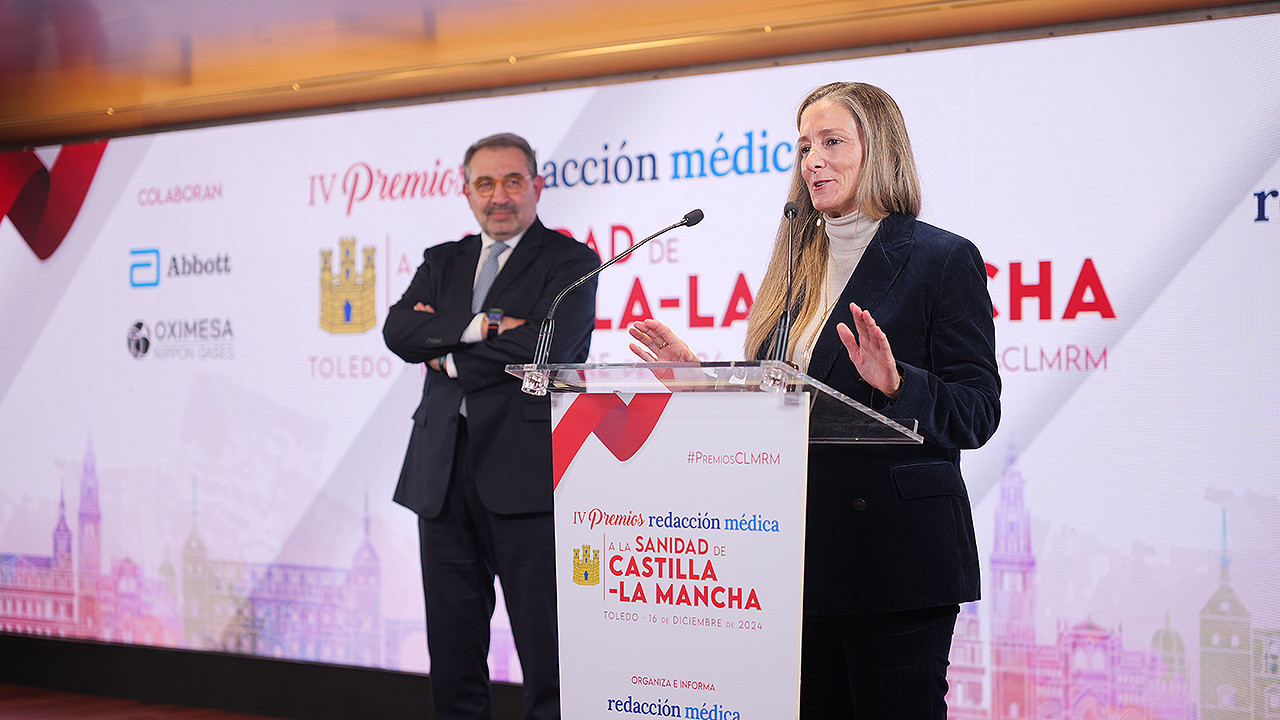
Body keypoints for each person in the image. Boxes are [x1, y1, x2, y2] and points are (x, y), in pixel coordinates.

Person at [628, 82, 1000, 718]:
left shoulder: (942, 259)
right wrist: (697, 377)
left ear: (878, 151)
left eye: (831, 143)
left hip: (896, 557)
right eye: (804, 146)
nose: (812, 161)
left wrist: (898, 383)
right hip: (799, 551)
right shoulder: (795, 262)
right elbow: (780, 391)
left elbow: (977, 409)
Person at [384, 132, 600, 720]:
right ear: (466, 191)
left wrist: (448, 349)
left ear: (537, 185)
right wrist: (488, 327)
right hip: (440, 475)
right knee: (453, 655)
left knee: (546, 653)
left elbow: (550, 346)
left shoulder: (570, 260)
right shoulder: (442, 261)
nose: (498, 196)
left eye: (511, 181)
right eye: (485, 183)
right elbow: (400, 332)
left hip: (523, 475)